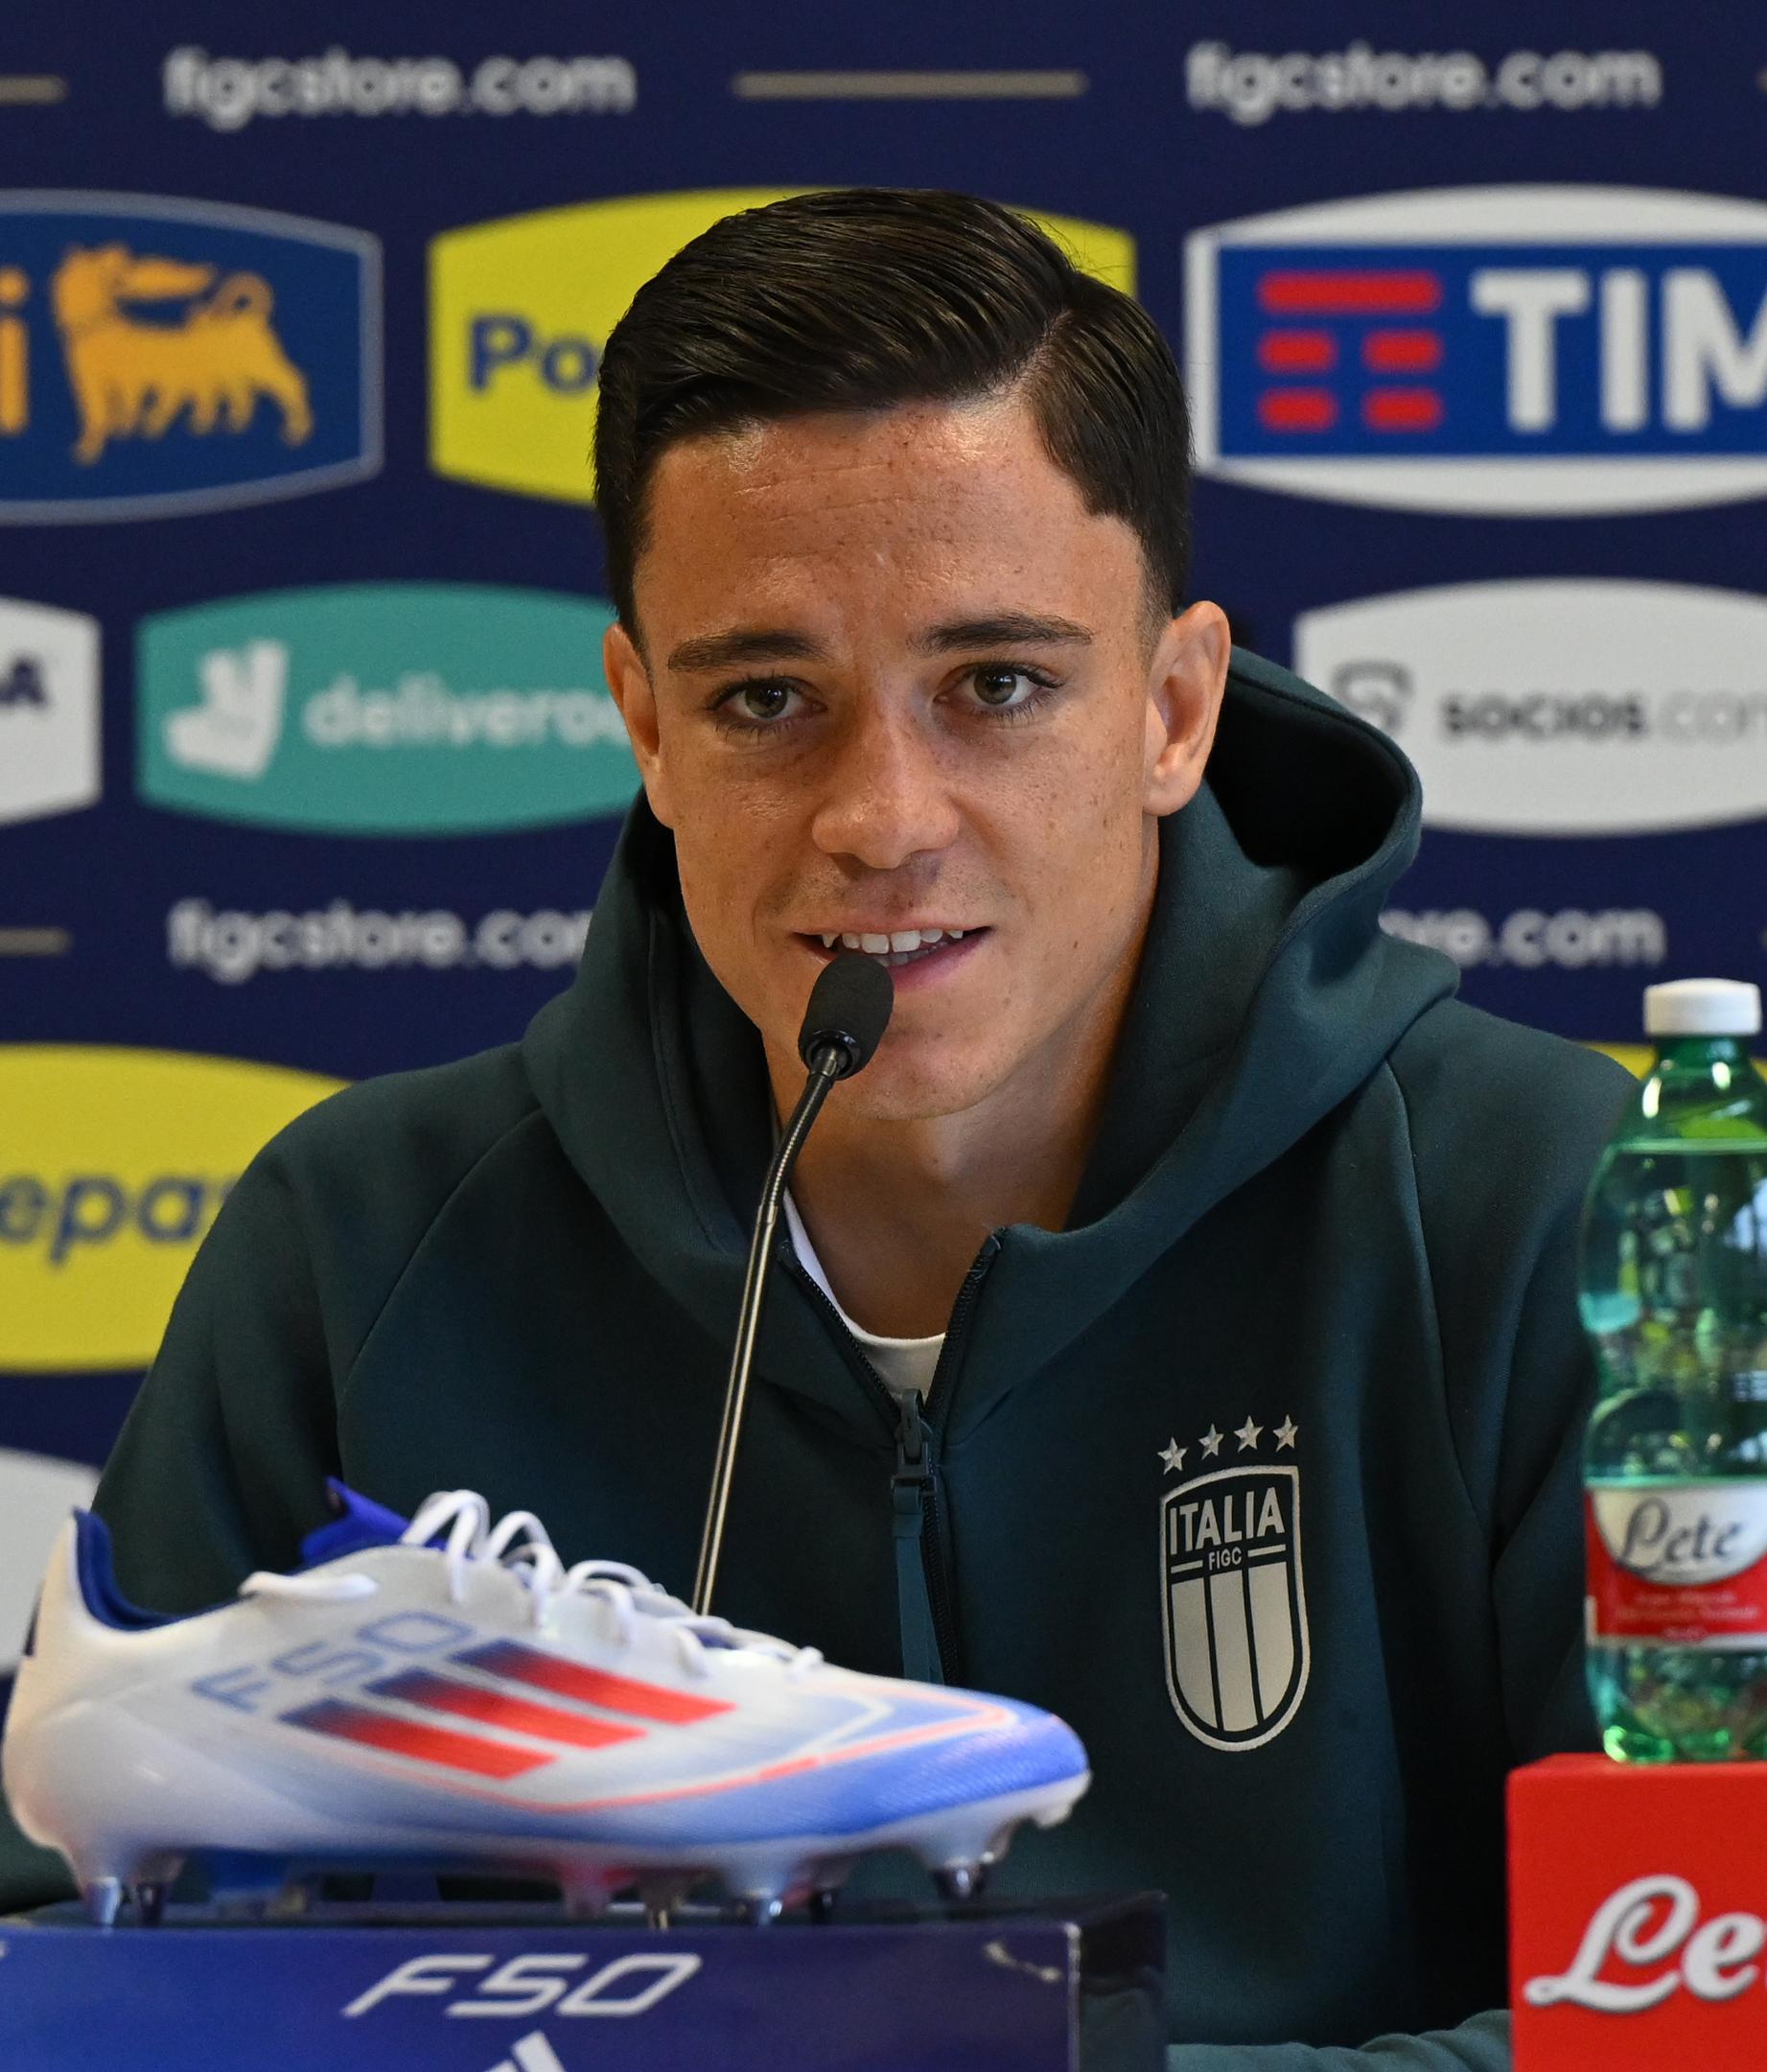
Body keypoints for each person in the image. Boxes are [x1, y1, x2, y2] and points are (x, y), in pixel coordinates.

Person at [0, 189, 1630, 2066]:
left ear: (1174, 709)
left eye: (995, 686)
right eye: (767, 698)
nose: (881, 815)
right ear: (643, 722)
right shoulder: (363, 1236)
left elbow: (1694, 2019)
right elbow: (89, 1986)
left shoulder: (1540, 1204)